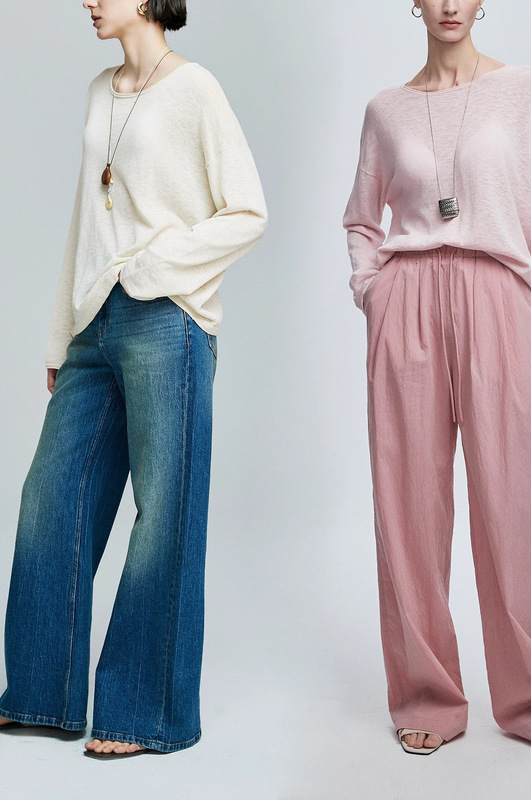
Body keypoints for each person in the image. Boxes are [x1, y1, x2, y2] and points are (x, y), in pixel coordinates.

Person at [0, 0, 267, 757]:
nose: (88, 1)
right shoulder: (99, 90)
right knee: (50, 499)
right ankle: (40, 694)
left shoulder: (196, 89)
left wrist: (155, 265)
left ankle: (145, 714)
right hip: (95, 321)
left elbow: (248, 210)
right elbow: (86, 218)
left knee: (164, 514)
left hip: (166, 320)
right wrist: (63, 332)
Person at [343, 0, 531, 759]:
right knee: (408, 508)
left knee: (516, 505)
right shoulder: (385, 110)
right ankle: (427, 695)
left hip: (501, 299)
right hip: (407, 302)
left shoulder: (524, 90)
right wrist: (374, 290)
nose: (449, 4)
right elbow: (361, 218)